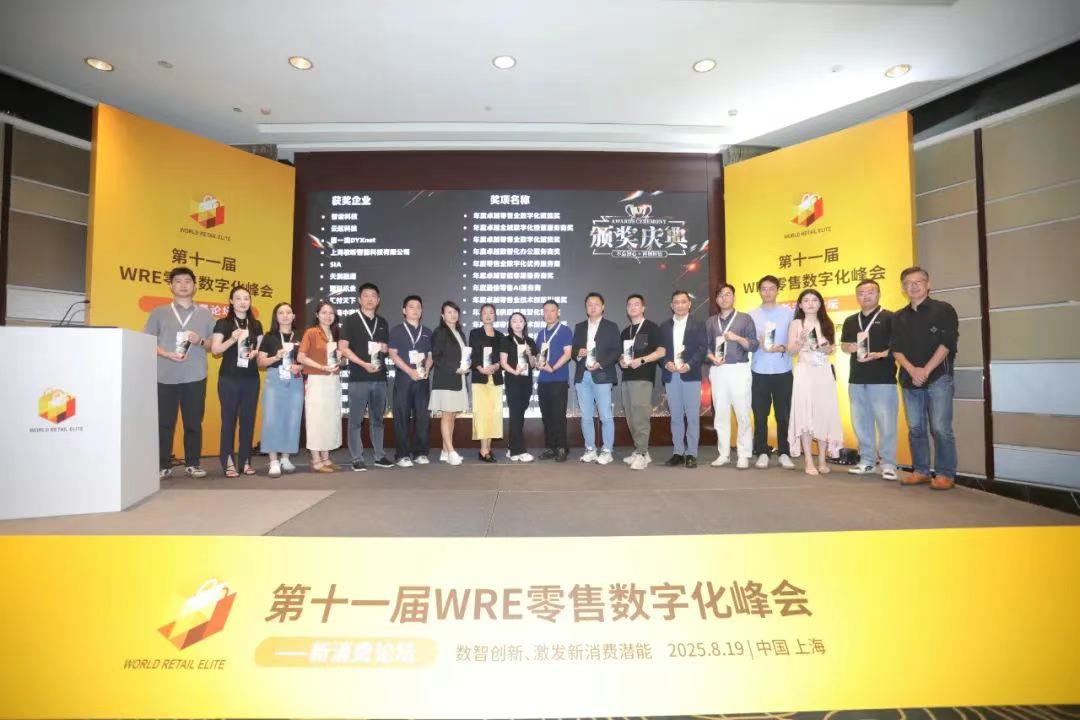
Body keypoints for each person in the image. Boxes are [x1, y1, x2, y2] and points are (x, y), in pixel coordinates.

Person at [891, 266, 959, 490]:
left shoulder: (943, 309)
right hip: (910, 380)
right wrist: (913, 371)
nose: (913, 286)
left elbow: (947, 344)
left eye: (918, 281)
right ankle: (920, 471)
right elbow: (896, 349)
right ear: (903, 288)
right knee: (916, 428)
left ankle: (945, 474)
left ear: (928, 284)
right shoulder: (898, 316)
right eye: (908, 283)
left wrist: (926, 370)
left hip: (938, 377)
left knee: (940, 428)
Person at [144, 267, 215, 479]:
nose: (183, 285)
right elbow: (147, 341)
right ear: (171, 286)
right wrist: (166, 354)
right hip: (165, 376)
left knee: (193, 423)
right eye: (178, 281)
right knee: (164, 424)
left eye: (187, 281)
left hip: (195, 376)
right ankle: (163, 465)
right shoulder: (159, 312)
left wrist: (200, 341)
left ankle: (193, 464)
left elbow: (213, 346)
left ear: (195, 285)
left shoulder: (205, 314)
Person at [839, 279, 899, 480]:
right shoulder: (850, 320)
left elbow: (898, 347)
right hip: (857, 378)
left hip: (883, 379)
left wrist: (880, 354)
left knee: (886, 423)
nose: (866, 296)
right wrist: (849, 347)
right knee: (861, 422)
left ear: (879, 294)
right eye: (861, 293)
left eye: (870, 292)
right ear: (857, 297)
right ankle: (867, 461)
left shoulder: (891, 317)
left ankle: (888, 463)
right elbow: (844, 345)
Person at [786, 289, 844, 476]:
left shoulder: (827, 323)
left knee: (823, 414)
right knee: (805, 414)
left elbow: (832, 348)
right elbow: (791, 351)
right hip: (805, 371)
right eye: (806, 300)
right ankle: (809, 460)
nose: (810, 303)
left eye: (814, 300)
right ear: (800, 305)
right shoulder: (796, 323)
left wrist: (826, 349)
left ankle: (822, 459)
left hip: (824, 372)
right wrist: (800, 340)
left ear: (820, 304)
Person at [210, 286, 264, 477]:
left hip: (251, 378)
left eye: (246, 298)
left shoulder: (256, 325)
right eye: (238, 298)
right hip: (229, 378)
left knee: (248, 421)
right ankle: (228, 461)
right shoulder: (223, 323)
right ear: (231, 301)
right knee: (229, 421)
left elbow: (260, 351)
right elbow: (215, 350)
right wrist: (232, 339)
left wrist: (256, 352)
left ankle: (245, 461)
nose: (243, 302)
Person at [705, 284, 759, 469]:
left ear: (734, 297)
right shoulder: (711, 322)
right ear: (716, 299)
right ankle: (724, 454)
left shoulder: (745, 319)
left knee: (742, 413)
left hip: (738, 369)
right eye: (721, 295)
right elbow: (705, 347)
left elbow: (754, 345)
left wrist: (737, 338)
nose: (724, 298)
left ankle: (744, 454)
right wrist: (712, 357)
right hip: (718, 370)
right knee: (720, 414)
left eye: (728, 294)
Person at [339, 282, 392, 472]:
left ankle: (379, 455)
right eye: (366, 295)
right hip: (358, 377)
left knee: (378, 419)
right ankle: (357, 457)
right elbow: (343, 348)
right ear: (359, 299)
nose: (370, 299)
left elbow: (385, 348)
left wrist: (385, 348)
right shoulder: (350, 320)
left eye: (373, 296)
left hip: (379, 379)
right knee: (355, 420)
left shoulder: (383, 322)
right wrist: (363, 364)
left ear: (378, 300)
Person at [749, 275, 796, 470]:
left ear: (778, 290)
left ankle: (784, 452)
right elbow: (749, 343)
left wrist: (781, 348)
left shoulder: (789, 313)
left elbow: (794, 343)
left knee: (783, 415)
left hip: (782, 369)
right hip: (759, 370)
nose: (767, 292)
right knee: (760, 414)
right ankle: (762, 452)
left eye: (771, 288)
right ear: (759, 291)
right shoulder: (751, 315)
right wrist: (757, 343)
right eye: (764, 289)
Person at [571, 292, 622, 464]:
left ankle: (607, 450)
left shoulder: (611, 326)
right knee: (586, 416)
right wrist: (578, 353)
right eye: (589, 305)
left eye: (596, 304)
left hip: (602, 375)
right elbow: (573, 350)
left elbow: (616, 350)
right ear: (586, 308)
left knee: (605, 416)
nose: (592, 307)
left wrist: (600, 364)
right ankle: (590, 449)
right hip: (583, 376)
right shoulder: (579, 327)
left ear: (603, 307)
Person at [660, 290, 707, 468]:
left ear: (689, 304)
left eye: (683, 302)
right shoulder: (664, 326)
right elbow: (660, 351)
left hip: (690, 375)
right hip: (672, 375)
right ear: (671, 306)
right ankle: (678, 452)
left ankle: (691, 453)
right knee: (676, 416)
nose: (680, 305)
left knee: (693, 416)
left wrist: (689, 364)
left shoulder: (698, 324)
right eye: (676, 302)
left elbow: (702, 349)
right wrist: (666, 363)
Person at [256, 302, 304, 477]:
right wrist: (276, 357)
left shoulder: (301, 336)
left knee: (293, 419)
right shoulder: (269, 337)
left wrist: (300, 367)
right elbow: (260, 362)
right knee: (271, 419)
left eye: (288, 312)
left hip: (295, 380)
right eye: (281, 313)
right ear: (276, 317)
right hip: (275, 378)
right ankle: (273, 460)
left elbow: (307, 359)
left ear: (293, 316)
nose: (285, 315)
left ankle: (285, 457)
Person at [618, 294, 665, 471]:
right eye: (629, 304)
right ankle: (640, 450)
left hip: (643, 378)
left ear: (643, 308)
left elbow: (661, 352)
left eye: (636, 304)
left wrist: (642, 360)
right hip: (627, 378)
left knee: (641, 417)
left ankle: (642, 453)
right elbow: (622, 355)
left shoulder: (652, 327)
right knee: (631, 417)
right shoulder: (626, 331)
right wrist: (621, 361)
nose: (633, 307)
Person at [387, 295, 434, 467]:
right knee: (402, 416)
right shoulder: (397, 330)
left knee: (422, 416)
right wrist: (409, 371)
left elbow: (430, 356)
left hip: (422, 379)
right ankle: (402, 454)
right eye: (411, 307)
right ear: (404, 310)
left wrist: (425, 369)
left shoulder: (427, 332)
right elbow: (393, 354)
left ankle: (420, 452)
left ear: (422, 311)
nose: (415, 310)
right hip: (404, 378)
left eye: (418, 307)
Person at [298, 301, 343, 472]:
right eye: (324, 312)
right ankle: (316, 460)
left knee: (329, 419)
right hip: (316, 380)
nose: (328, 316)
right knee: (315, 419)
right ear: (317, 315)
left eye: (331, 313)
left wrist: (340, 360)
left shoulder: (335, 334)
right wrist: (321, 367)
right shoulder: (311, 332)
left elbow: (339, 360)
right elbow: (301, 357)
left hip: (332, 380)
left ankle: (326, 458)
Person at [429, 300, 471, 465]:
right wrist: (455, 368)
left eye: (455, 312)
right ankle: (452, 451)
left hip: (459, 380)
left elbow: (464, 356)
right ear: (443, 315)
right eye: (449, 312)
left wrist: (466, 365)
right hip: (445, 380)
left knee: (452, 415)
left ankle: (445, 451)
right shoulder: (440, 332)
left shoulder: (460, 333)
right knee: (447, 416)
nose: (453, 315)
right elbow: (437, 357)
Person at [534, 300, 574, 462]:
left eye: (552, 310)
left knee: (558, 415)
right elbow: (539, 356)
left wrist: (553, 368)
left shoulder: (564, 330)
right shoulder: (540, 334)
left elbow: (568, 354)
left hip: (559, 379)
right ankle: (550, 447)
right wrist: (538, 363)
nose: (549, 314)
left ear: (558, 312)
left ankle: (562, 447)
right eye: (546, 311)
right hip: (543, 380)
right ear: (543, 314)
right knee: (547, 416)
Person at [500, 312, 538, 462]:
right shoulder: (506, 340)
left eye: (520, 321)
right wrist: (514, 371)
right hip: (513, 379)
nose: (517, 323)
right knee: (515, 413)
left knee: (520, 414)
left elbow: (533, 364)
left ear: (525, 323)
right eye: (514, 321)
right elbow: (503, 362)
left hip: (526, 381)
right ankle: (519, 450)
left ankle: (512, 447)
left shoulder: (530, 341)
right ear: (510, 324)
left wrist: (529, 354)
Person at [469, 303, 505, 462]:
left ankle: (487, 449)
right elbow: (472, 356)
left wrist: (496, 366)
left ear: (495, 316)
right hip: (480, 378)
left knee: (493, 414)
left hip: (495, 379)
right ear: (481, 316)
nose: (488, 315)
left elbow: (502, 358)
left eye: (491, 312)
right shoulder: (475, 333)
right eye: (485, 313)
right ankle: (483, 450)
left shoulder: (500, 336)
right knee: (483, 413)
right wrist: (481, 369)